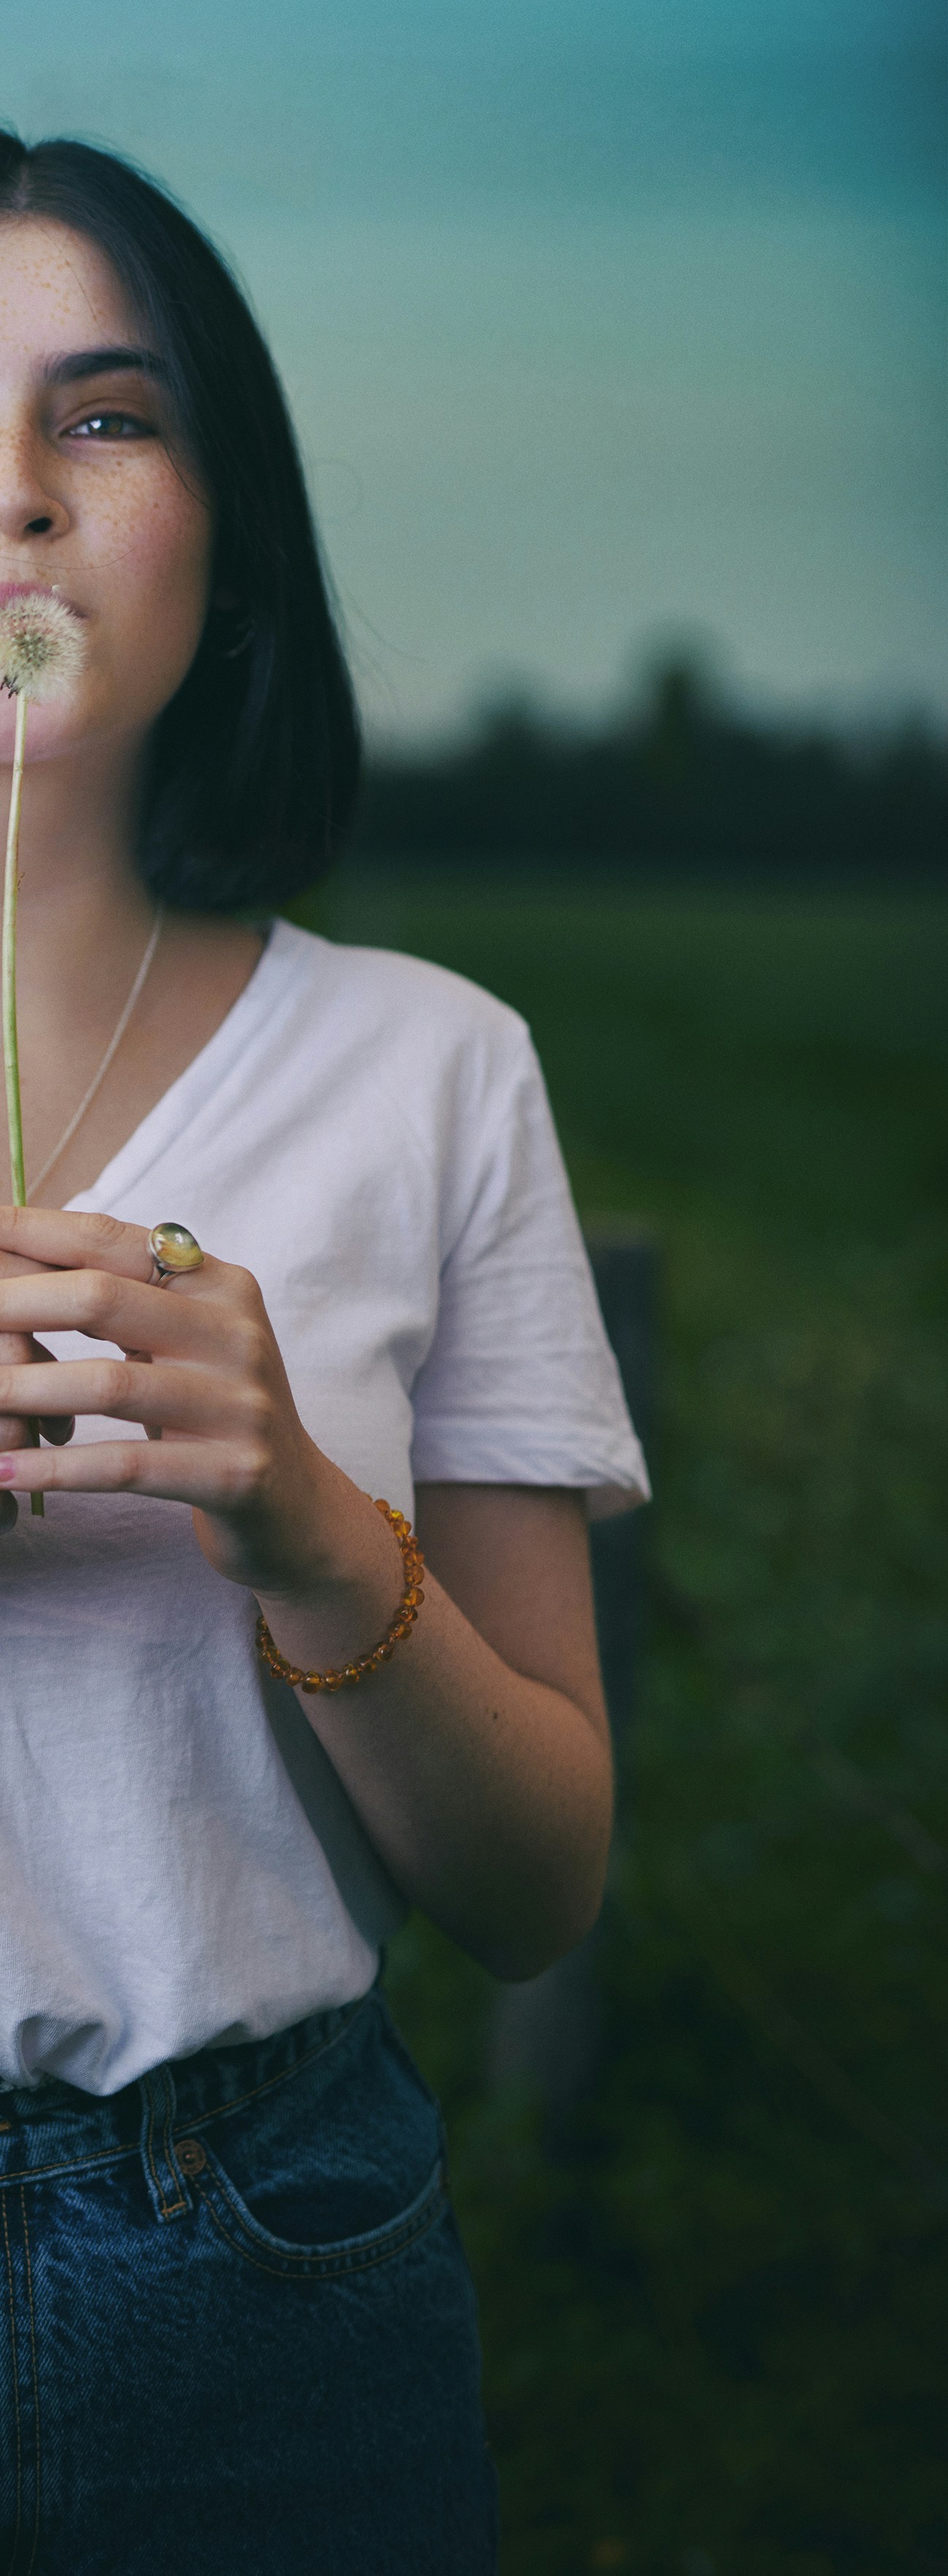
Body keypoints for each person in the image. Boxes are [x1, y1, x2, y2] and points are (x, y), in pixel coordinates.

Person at [0, 131, 647, 2575]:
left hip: (268, 2283)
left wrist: (293, 1511)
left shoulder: (431, 1068)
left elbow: (536, 1883)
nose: (14, 504)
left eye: (105, 415)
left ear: (228, 517)